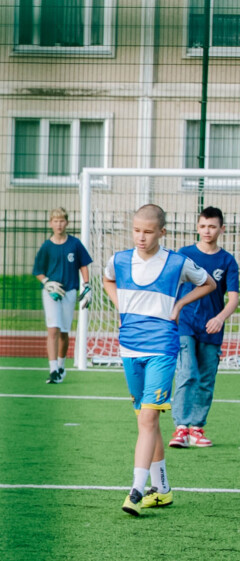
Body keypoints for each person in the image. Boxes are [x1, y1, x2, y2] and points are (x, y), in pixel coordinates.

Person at [103, 204, 215, 516]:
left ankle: (136, 490)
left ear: (162, 232)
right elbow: (107, 280)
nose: (141, 237)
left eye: (148, 232)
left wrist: (179, 305)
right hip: (130, 348)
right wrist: (120, 305)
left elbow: (209, 283)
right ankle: (162, 490)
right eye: (136, 230)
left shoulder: (177, 262)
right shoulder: (119, 260)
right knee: (146, 420)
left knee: (148, 419)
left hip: (162, 348)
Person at [169, 206, 239, 449]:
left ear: (222, 229)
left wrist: (220, 318)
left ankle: (197, 428)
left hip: (212, 327)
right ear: (197, 228)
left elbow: (233, 299)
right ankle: (181, 428)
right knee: (187, 372)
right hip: (186, 323)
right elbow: (172, 286)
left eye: (212, 226)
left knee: (206, 379)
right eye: (202, 226)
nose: (207, 231)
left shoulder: (227, 261)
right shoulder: (184, 255)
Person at [33, 207, 92, 384]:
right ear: (50, 223)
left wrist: (87, 285)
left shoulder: (75, 244)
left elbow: (83, 265)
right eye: (55, 221)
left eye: (61, 221)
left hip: (70, 291)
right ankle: (52, 370)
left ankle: (61, 366)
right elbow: (38, 271)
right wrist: (47, 282)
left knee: (64, 331)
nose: (59, 224)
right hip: (51, 293)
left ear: (67, 223)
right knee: (53, 329)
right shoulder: (47, 246)